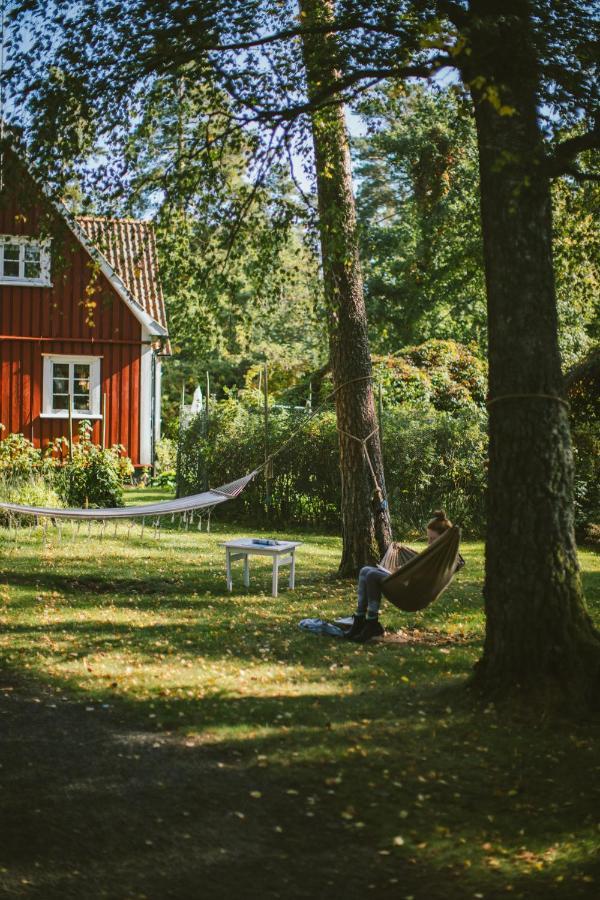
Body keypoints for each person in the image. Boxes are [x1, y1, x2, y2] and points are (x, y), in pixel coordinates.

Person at [345, 509, 457, 643]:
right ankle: (359, 620)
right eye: (428, 538)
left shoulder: (440, 559)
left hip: (411, 593)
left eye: (432, 539)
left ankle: (372, 623)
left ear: (443, 538)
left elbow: (421, 577)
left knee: (371, 575)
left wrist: (402, 572)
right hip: (405, 582)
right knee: (364, 571)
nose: (429, 543)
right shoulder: (433, 553)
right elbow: (418, 570)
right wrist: (402, 570)